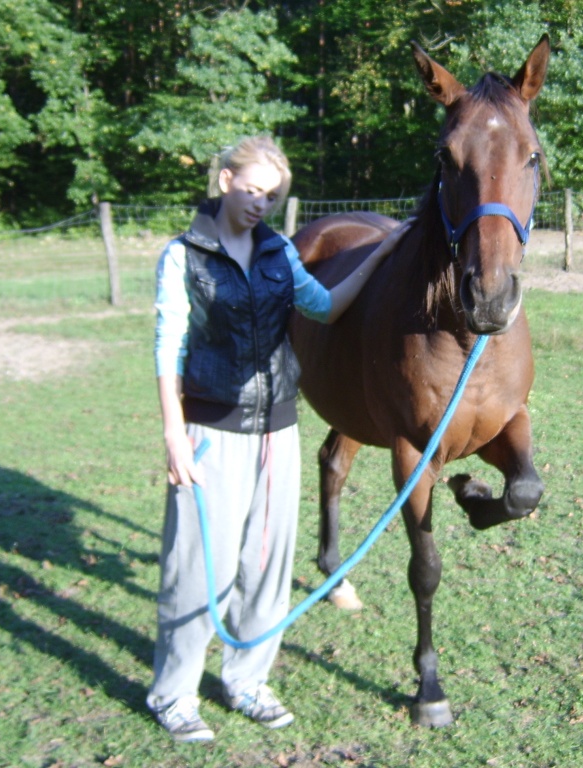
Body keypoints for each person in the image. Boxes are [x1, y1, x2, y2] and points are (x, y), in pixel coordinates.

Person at [146, 135, 408, 742]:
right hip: (210, 429)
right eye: (252, 188)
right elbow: (167, 347)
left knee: (266, 566)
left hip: (278, 430)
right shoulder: (184, 255)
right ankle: (174, 692)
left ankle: (247, 680)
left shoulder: (279, 254)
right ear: (224, 181)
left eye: (272, 193)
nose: (261, 202)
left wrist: (380, 254)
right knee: (198, 570)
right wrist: (173, 433)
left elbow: (323, 306)